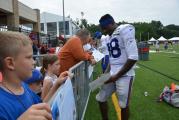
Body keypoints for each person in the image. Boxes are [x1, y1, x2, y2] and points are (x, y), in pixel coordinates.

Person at [0, 31, 69, 120]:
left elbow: (42, 106)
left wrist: (56, 85)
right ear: (10, 63)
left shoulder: (24, 87)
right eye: (29, 57)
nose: (34, 61)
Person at [96, 14, 138, 120]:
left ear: (111, 23)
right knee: (100, 98)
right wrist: (105, 74)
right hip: (112, 73)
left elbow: (133, 57)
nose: (104, 31)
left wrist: (116, 76)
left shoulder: (125, 29)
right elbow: (112, 60)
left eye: (105, 28)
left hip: (125, 75)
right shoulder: (110, 36)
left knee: (123, 105)